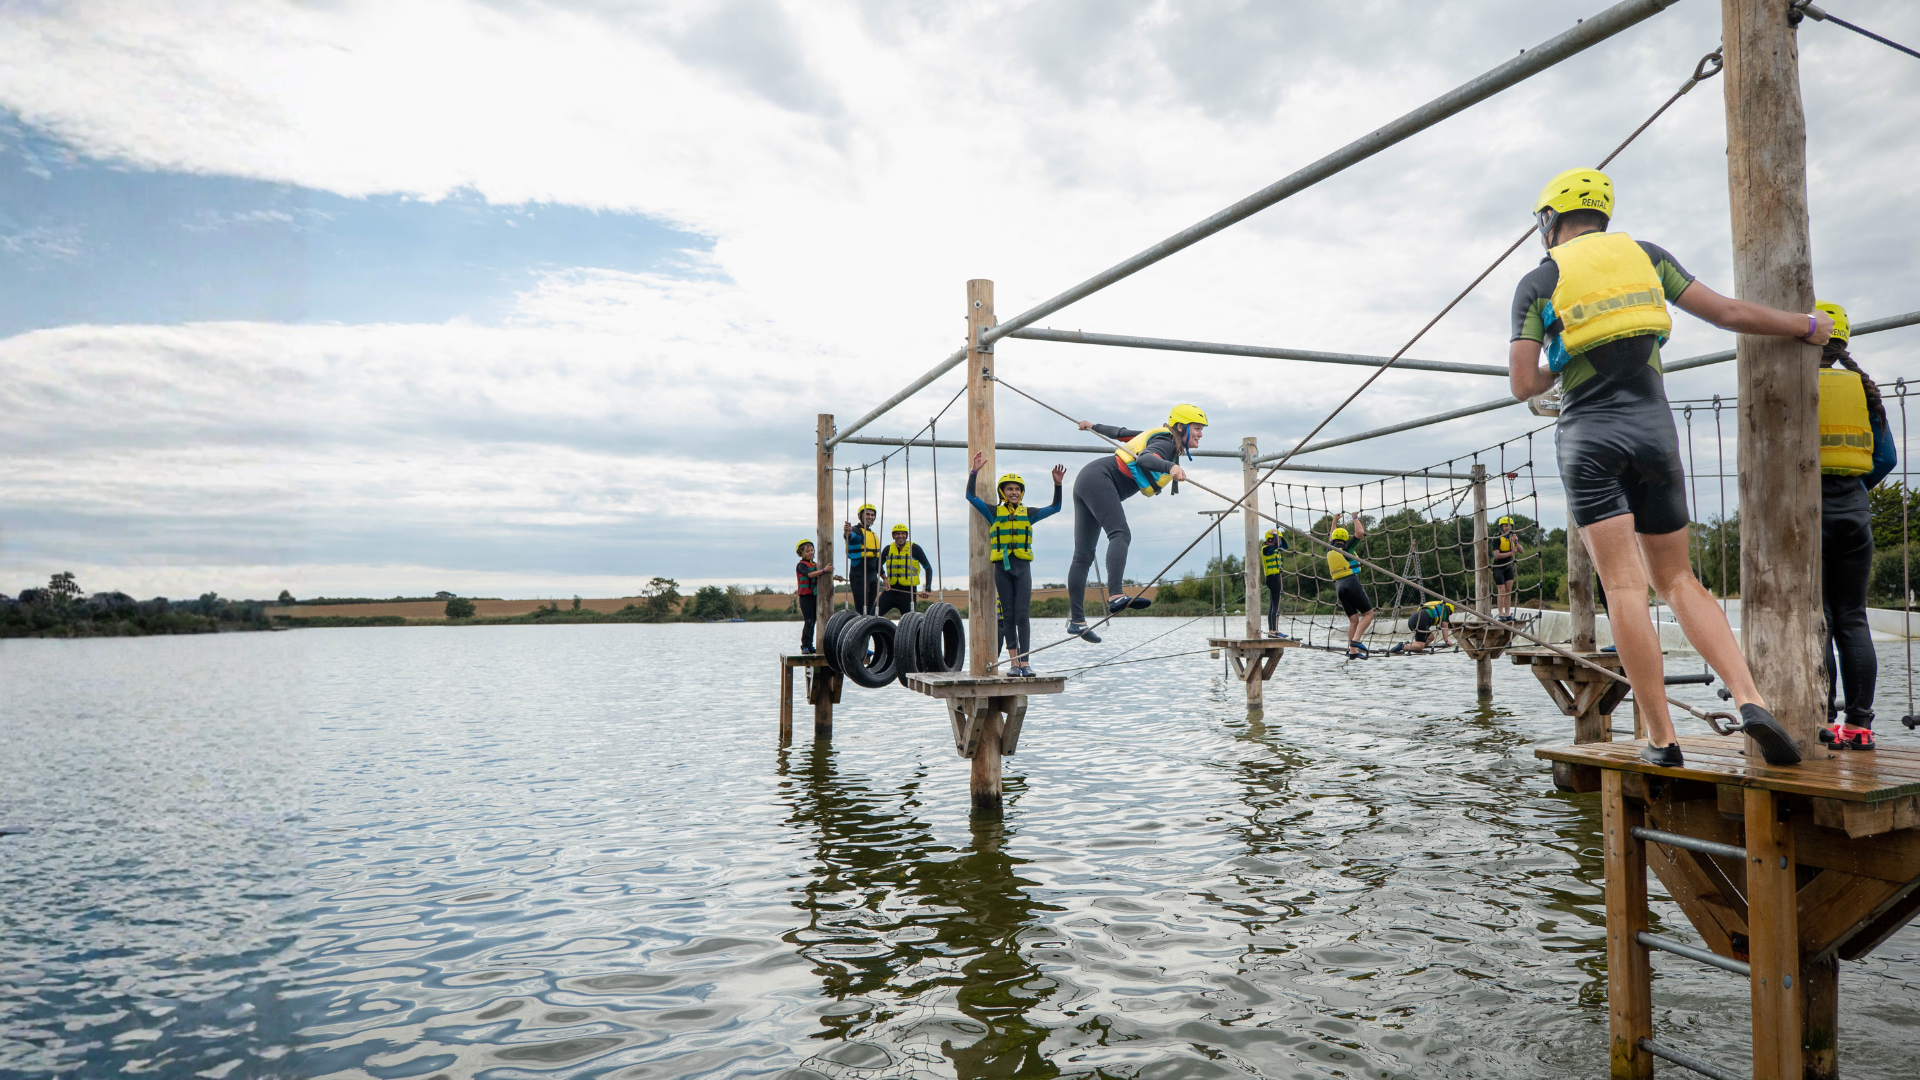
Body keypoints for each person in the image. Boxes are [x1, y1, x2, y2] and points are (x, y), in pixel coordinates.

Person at [1508, 166, 1832, 767]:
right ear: (1604, 217)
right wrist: (1808, 326)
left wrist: (1563, 353)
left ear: (1550, 221)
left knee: (1625, 586)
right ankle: (1750, 697)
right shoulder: (1648, 257)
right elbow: (1730, 314)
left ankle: (1662, 737)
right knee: (1679, 580)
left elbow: (1524, 382)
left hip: (1588, 436)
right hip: (1654, 433)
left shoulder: (1540, 280)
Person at [1815, 301, 1897, 750]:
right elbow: (1886, 458)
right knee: (1852, 616)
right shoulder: (1863, 389)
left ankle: (1822, 718)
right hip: (1854, 510)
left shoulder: (1796, 384)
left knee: (1820, 617)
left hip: (1807, 512)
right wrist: (1854, 487)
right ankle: (1861, 725)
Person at [1064, 404, 1209, 642]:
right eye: (1197, 428)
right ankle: (1116, 596)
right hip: (1099, 479)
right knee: (1120, 534)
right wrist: (1171, 466)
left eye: (1201, 429)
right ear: (1181, 427)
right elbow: (1144, 459)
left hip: (1087, 480)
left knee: (1083, 556)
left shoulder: (1158, 437)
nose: (1200, 434)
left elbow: (1121, 432)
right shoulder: (1165, 444)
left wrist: (1093, 426)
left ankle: (1077, 622)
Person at [968, 453, 1065, 676]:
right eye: (1010, 489)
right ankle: (1013, 664)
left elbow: (1056, 508)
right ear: (1003, 492)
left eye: (1017, 489)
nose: (1014, 492)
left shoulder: (1028, 514)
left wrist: (1057, 485)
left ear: (1022, 493)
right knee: (1009, 616)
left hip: (1023, 568)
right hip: (1002, 568)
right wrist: (974, 472)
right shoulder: (993, 512)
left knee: (1023, 615)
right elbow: (971, 497)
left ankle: (1025, 662)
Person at [1327, 514, 1375, 658]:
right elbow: (1360, 532)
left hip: (1339, 587)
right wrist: (1354, 518)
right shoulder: (1346, 547)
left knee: (1353, 620)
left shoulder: (1329, 548)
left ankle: (1352, 651)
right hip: (1350, 582)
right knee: (1369, 614)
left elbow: (1331, 536)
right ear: (1345, 539)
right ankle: (1356, 641)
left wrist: (1334, 521)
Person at [876, 525, 935, 618]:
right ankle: (884, 633)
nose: (900, 536)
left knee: (910, 622)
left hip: (908, 593)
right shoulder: (888, 549)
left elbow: (928, 568)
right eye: (897, 534)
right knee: (873, 615)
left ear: (906, 536)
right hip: (890, 591)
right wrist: (884, 578)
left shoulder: (915, 549)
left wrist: (927, 590)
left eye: (903, 533)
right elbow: (877, 564)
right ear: (893, 536)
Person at [793, 540, 838, 654]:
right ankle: (804, 646)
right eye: (807, 551)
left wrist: (834, 576)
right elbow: (810, 574)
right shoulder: (801, 565)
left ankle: (810, 645)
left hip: (815, 596)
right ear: (801, 553)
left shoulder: (816, 565)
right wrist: (824, 570)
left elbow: (822, 575)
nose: (810, 552)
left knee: (814, 621)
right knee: (808, 621)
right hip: (805, 597)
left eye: (812, 550)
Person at [842, 503, 881, 615]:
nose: (870, 517)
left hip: (873, 577)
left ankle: (868, 631)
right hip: (859, 576)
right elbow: (849, 536)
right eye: (867, 514)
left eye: (872, 515)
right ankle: (858, 630)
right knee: (861, 609)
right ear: (861, 516)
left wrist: (884, 577)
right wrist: (847, 532)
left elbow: (877, 559)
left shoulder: (873, 534)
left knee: (869, 610)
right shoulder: (856, 531)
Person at [1390, 599, 1456, 655]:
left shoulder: (1436, 604)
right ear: (1450, 609)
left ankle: (1411, 645)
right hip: (1421, 621)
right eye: (1450, 614)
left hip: (1412, 619)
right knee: (1420, 646)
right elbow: (1444, 626)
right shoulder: (1445, 608)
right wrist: (1447, 641)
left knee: (1431, 637)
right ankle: (1402, 647)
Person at [1491, 516, 1526, 621]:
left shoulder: (1512, 538)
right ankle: (1501, 614)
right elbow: (1497, 555)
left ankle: (1507, 614)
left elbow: (1521, 551)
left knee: (1508, 590)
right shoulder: (1496, 538)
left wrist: (1516, 542)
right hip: (1498, 568)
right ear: (1501, 527)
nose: (1508, 527)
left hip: (1508, 567)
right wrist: (1511, 553)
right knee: (1501, 591)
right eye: (1506, 526)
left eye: (1509, 526)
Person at [1260, 529, 1292, 638]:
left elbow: (1286, 546)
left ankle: (1272, 631)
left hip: (1276, 578)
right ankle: (1274, 631)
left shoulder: (1274, 548)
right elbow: (1277, 545)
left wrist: (1281, 537)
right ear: (1270, 539)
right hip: (1272, 579)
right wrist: (1275, 535)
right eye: (1275, 539)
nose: (1277, 541)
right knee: (1275, 605)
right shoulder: (1266, 549)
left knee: (1272, 605)